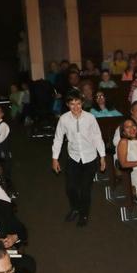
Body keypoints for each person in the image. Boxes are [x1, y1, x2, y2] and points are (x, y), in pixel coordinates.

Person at [51, 90, 106, 227]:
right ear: (67, 105)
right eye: (72, 104)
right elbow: (58, 138)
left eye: (78, 103)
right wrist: (55, 158)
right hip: (73, 157)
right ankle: (75, 208)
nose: (76, 107)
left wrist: (102, 156)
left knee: (85, 189)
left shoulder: (90, 118)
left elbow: (97, 137)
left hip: (90, 158)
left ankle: (84, 214)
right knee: (70, 188)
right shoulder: (64, 119)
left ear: (82, 103)